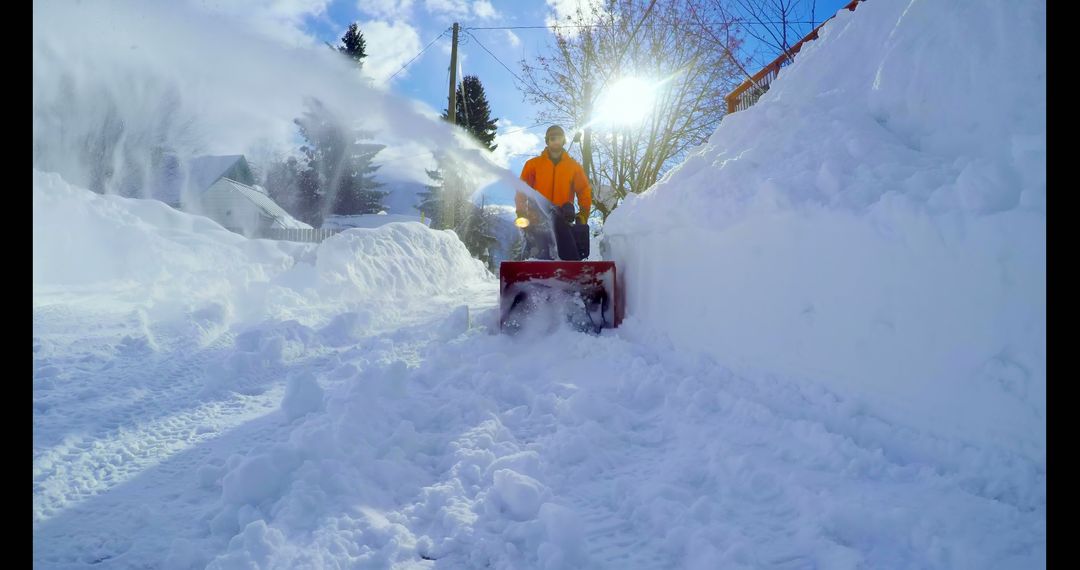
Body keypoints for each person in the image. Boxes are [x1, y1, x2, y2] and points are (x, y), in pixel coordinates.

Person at [516, 125, 592, 260]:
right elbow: (522, 189)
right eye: (552, 138)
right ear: (547, 141)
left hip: (563, 218)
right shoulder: (533, 165)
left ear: (564, 141)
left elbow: (583, 190)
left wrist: (583, 214)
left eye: (559, 138)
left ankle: (573, 273)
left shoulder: (573, 167)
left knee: (568, 255)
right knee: (537, 256)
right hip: (537, 218)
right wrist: (521, 212)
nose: (556, 141)